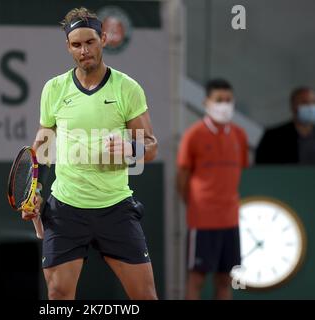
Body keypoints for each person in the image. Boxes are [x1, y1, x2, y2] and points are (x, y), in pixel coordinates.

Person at [21, 7, 158, 300]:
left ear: (103, 39)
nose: (84, 50)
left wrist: (131, 148)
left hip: (115, 207)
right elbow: (43, 148)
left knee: (145, 296)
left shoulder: (127, 88)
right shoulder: (54, 89)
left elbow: (151, 146)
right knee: (57, 294)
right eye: (77, 44)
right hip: (66, 209)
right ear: (68, 47)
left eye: (90, 42)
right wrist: (36, 189)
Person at [176, 79, 249, 300]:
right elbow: (181, 177)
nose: (224, 105)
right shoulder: (194, 134)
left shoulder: (239, 135)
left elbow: (239, 171)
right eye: (219, 100)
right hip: (202, 220)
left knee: (226, 280)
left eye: (228, 100)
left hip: (230, 219)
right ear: (206, 102)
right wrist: (196, 205)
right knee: (196, 278)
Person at [256, 87, 315, 164]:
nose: (310, 107)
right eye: (304, 102)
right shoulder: (272, 138)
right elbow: (261, 169)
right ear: (293, 105)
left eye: (313, 102)